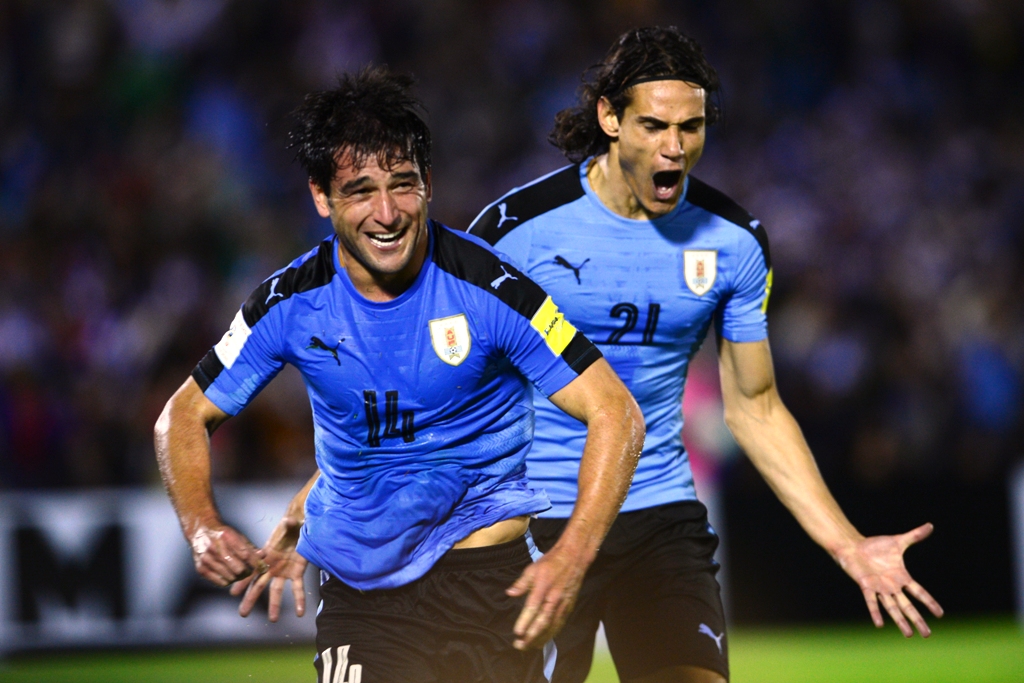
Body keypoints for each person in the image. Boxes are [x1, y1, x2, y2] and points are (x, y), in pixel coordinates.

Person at [465, 26, 944, 683]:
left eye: (691, 128)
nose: (675, 149)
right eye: (655, 125)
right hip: (532, 520)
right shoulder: (512, 231)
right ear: (608, 116)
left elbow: (755, 406)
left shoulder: (734, 243)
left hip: (657, 517)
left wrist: (849, 544)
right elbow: (457, 387)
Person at [154, 66, 645, 683]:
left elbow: (615, 413)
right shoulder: (288, 304)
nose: (387, 213)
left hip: (488, 587)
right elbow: (181, 417)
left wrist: (572, 556)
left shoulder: (492, 289)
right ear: (320, 196)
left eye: (403, 184)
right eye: (360, 190)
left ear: (429, 183)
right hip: (365, 598)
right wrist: (202, 526)